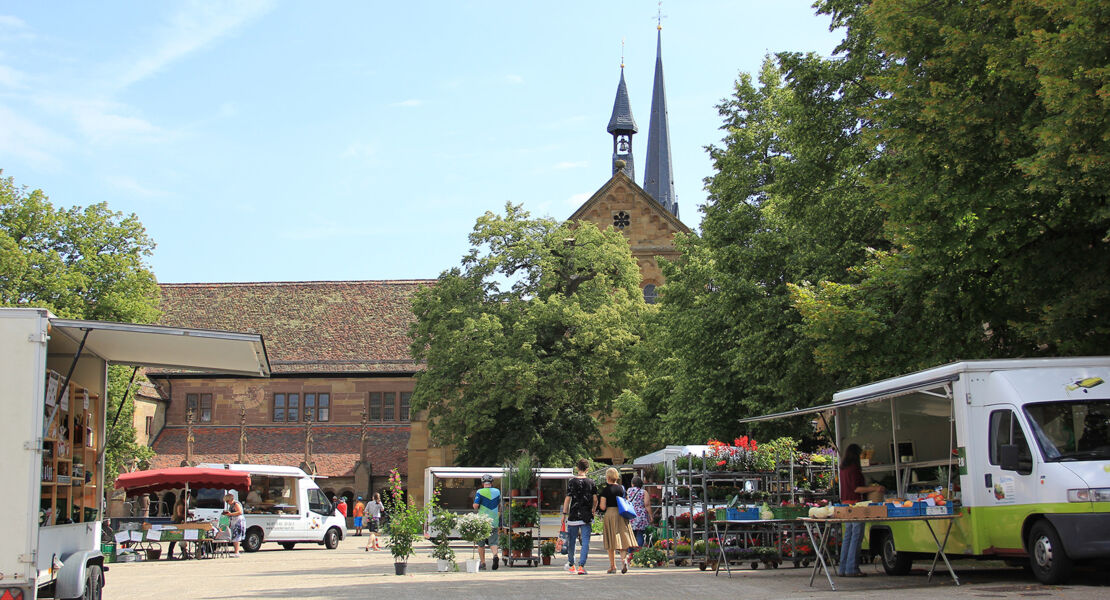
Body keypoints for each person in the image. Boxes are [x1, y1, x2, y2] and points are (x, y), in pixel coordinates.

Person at [839, 443, 884, 577]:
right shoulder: (854, 468)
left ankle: (843, 568)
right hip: (856, 504)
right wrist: (875, 489)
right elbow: (857, 489)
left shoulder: (843, 468)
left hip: (845, 504)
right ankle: (852, 568)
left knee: (848, 536)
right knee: (856, 537)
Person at [562, 458, 598, 575]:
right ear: (587, 469)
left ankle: (571, 564)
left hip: (573, 515)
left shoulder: (572, 482)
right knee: (586, 541)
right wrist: (593, 509)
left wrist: (564, 514)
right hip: (586, 515)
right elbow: (595, 499)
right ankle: (582, 566)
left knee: (572, 540)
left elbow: (568, 499)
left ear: (577, 468)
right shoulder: (591, 482)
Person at [598, 467, 636, 574]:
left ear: (608, 477)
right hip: (622, 514)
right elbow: (627, 501)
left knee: (611, 540)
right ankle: (624, 561)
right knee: (623, 539)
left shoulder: (606, 490)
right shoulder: (622, 488)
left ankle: (613, 566)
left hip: (610, 514)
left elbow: (602, 506)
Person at [472, 473, 501, 570]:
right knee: (493, 542)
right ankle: (495, 555)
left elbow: (476, 506)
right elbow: (499, 504)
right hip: (494, 520)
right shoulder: (497, 491)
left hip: (482, 521)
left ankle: (483, 563)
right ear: (492, 482)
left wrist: (476, 506)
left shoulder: (480, 492)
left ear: (483, 482)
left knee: (481, 543)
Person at [627, 475, 652, 550]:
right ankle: (639, 551)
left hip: (631, 514)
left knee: (631, 534)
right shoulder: (644, 492)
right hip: (641, 515)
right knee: (640, 534)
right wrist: (651, 516)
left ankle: (630, 552)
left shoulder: (629, 491)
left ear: (632, 484)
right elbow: (647, 504)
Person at [222, 493, 246, 557]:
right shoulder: (232, 505)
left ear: (231, 499)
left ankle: (237, 552)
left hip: (238, 522)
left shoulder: (236, 504)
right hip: (235, 521)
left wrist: (230, 514)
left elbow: (240, 512)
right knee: (235, 536)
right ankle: (236, 551)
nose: (227, 503)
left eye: (227, 501)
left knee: (236, 537)